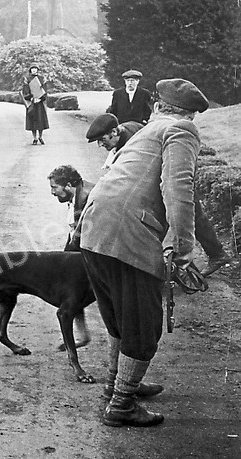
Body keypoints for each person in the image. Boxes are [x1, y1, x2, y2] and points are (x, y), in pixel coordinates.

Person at [79, 78, 210, 427]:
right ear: (189, 113)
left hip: (94, 230)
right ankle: (122, 404)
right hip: (129, 236)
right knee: (142, 323)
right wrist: (183, 249)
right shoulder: (181, 130)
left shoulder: (147, 129)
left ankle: (117, 385)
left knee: (121, 316)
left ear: (157, 106)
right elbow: (180, 188)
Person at [86, 113, 231, 276]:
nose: (100, 144)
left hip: (171, 177)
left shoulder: (133, 136)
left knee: (183, 214)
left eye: (102, 139)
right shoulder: (124, 132)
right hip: (161, 179)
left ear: (114, 132)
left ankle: (208, 256)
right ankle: (209, 255)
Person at [48, 165, 95, 350]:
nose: (52, 193)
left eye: (54, 188)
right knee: (71, 293)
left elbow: (87, 232)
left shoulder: (87, 198)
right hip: (79, 249)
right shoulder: (77, 194)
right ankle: (83, 335)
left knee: (75, 293)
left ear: (68, 185)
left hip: (91, 253)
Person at [21, 64, 49, 145]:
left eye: (35, 68)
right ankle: (35, 138)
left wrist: (40, 98)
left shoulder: (42, 79)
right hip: (32, 103)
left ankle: (40, 136)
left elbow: (45, 90)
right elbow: (25, 91)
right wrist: (31, 98)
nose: (34, 70)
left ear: (37, 70)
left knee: (41, 121)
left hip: (40, 103)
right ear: (30, 70)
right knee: (32, 121)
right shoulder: (27, 79)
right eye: (32, 68)